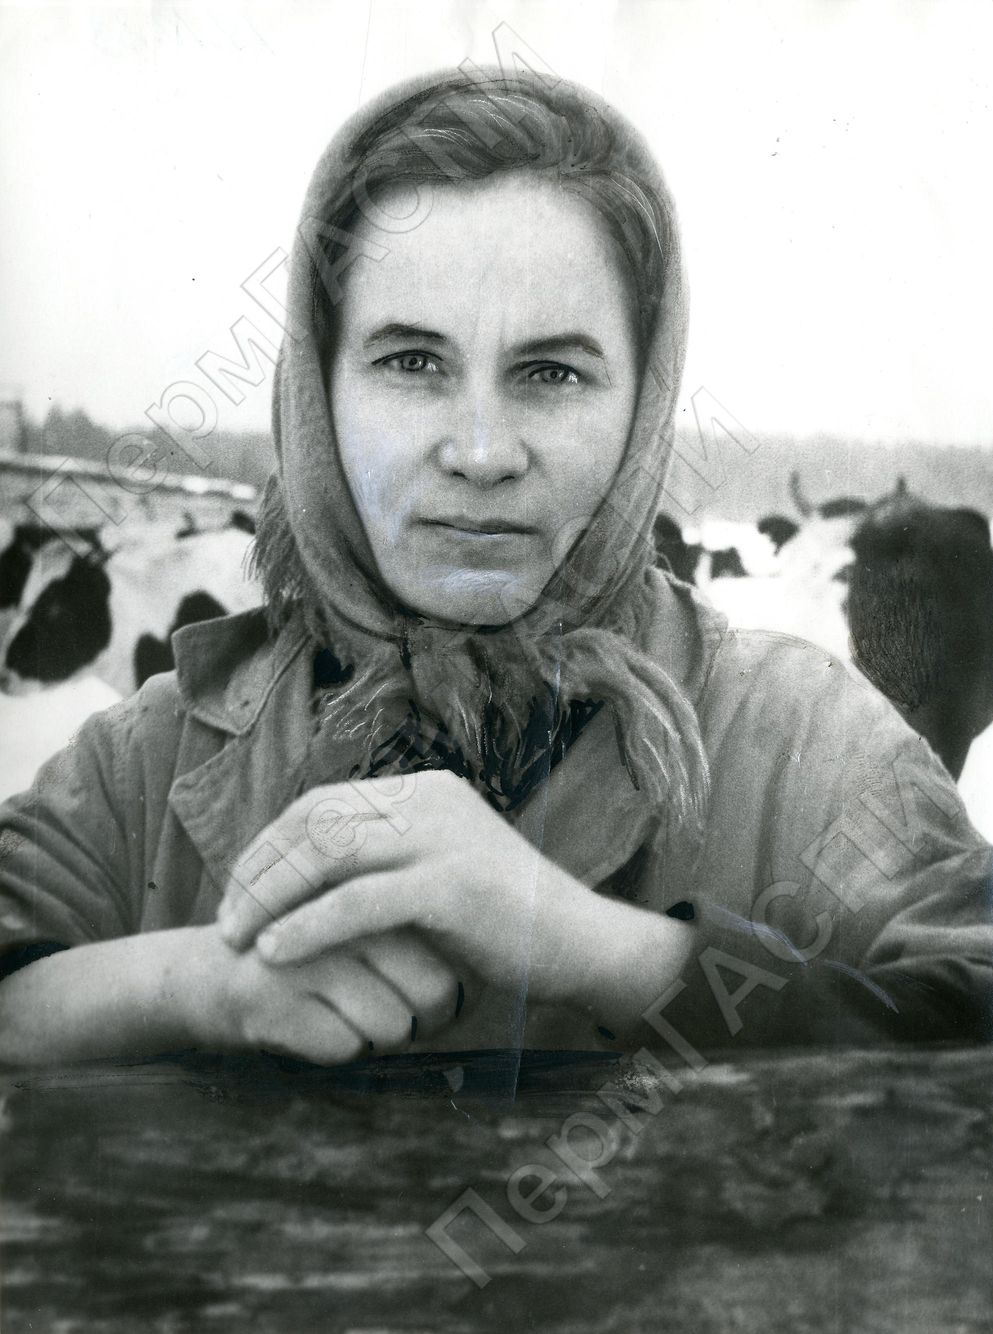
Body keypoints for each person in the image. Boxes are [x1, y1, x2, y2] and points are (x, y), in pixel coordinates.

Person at [0, 69, 990, 1069]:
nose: (481, 452)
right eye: (411, 362)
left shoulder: (808, 747)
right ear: (317, 390)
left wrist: (604, 952)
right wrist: (200, 985)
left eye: (551, 372)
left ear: (643, 404)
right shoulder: (147, 764)